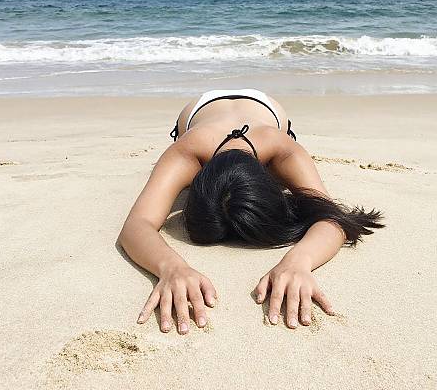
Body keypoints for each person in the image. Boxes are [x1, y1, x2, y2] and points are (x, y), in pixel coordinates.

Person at [117, 88, 384, 335]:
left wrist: (299, 262)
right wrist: (171, 268)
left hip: (262, 107)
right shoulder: (187, 152)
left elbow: (332, 218)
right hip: (201, 111)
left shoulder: (281, 150)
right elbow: (137, 225)